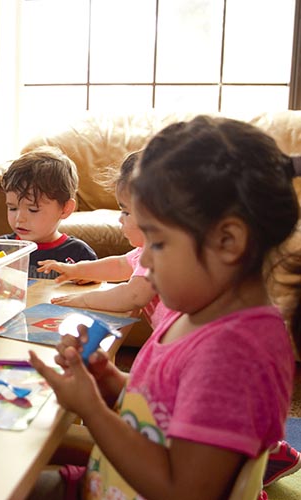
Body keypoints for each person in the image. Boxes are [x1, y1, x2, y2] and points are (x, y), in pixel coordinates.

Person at [28, 115, 301, 499]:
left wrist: (92, 411)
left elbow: (184, 489)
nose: (146, 263)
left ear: (228, 241)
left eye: (157, 244)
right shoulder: (194, 317)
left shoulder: (234, 354)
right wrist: (107, 381)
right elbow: (159, 409)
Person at [37, 150, 166, 327]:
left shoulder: (160, 255)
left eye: (126, 212)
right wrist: (76, 270)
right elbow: (121, 265)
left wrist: (84, 300)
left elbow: (132, 296)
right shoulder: (148, 251)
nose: (120, 219)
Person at [0, 146, 96, 279]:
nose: (19, 219)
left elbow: (93, 293)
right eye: (12, 208)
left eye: (33, 210)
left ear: (65, 208)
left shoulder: (79, 254)